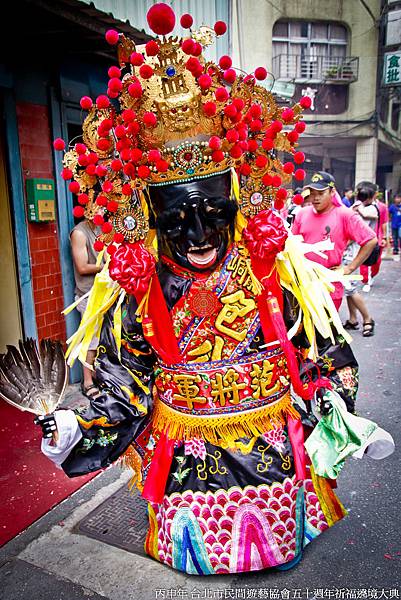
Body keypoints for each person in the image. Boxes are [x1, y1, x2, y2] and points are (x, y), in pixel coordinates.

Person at [34, 4, 393, 576]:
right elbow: (126, 381)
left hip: (271, 439)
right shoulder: (143, 289)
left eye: (212, 215)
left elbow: (317, 345)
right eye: (177, 221)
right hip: (188, 451)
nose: (198, 236)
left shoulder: (270, 267)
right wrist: (80, 424)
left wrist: (329, 395)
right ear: (148, 219)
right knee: (198, 549)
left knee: (274, 548)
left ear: (238, 203)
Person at [291, 171, 377, 310]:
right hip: (303, 283)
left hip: (329, 285)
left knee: (325, 330)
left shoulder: (344, 214)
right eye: (312, 193)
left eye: (320, 193)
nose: (315, 198)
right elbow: (293, 243)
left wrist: (349, 268)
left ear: (332, 192)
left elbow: (370, 240)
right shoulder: (302, 213)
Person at [70, 209, 103, 398]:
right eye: (96, 206)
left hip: (109, 293)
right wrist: (109, 267)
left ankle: (105, 376)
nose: (100, 210)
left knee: (107, 338)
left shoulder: (103, 229)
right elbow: (82, 267)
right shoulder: (80, 233)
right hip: (89, 295)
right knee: (91, 340)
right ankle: (87, 382)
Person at [354, 182, 389, 292]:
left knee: (375, 261)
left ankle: (372, 276)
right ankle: (365, 280)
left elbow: (384, 222)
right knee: (363, 260)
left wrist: (384, 238)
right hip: (362, 239)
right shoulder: (359, 205)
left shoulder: (381, 207)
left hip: (376, 237)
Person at [341, 241, 375, 336]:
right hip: (346, 257)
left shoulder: (352, 225)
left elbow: (357, 237)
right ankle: (353, 319)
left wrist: (340, 243)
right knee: (349, 290)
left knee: (351, 290)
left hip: (349, 259)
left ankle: (367, 319)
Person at [389, 192, 401, 261]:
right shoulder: (392, 206)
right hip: (394, 224)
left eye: (398, 198)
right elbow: (389, 212)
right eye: (396, 198)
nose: (397, 199)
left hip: (400, 224)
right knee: (395, 237)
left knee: (400, 236)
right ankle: (395, 249)